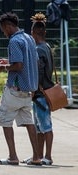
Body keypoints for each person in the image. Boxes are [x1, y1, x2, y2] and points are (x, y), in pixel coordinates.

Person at [0, 12, 41, 166]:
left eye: (3, 29)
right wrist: (8, 61)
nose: (4, 32)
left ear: (8, 26)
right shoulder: (28, 38)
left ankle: (13, 156)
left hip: (15, 89)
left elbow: (18, 66)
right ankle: (36, 157)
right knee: (28, 121)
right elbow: (31, 60)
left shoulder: (14, 41)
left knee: (4, 119)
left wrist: (2, 67)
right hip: (28, 90)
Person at [30, 13, 54, 165]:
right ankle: (38, 155)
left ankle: (48, 156)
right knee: (40, 128)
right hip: (46, 91)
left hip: (40, 93)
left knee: (45, 127)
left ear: (33, 33)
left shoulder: (38, 50)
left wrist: (33, 89)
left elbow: (38, 72)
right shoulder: (47, 47)